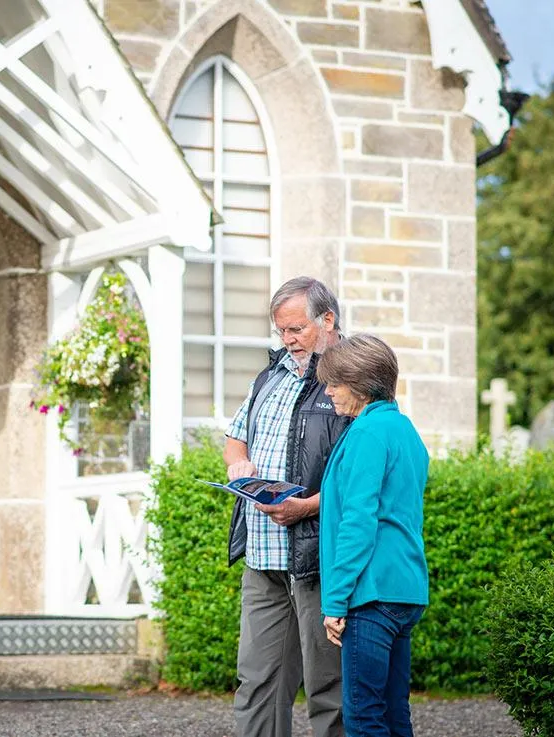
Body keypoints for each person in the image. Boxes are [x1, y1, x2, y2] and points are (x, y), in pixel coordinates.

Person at [224, 276, 350, 737]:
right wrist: (239, 466)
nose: (287, 340)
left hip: (317, 557)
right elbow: (235, 439)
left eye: (295, 329)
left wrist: (307, 507)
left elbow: (362, 477)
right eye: (281, 331)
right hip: (262, 557)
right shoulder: (269, 377)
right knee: (257, 682)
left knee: (328, 687)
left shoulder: (353, 377)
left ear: (327, 319)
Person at [316, 333, 429, 737]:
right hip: (405, 591)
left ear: (361, 385)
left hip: (372, 593)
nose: (327, 392)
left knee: (363, 717)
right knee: (395, 711)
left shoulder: (366, 434)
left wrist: (335, 601)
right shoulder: (404, 429)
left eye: (334, 383)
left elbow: (358, 523)